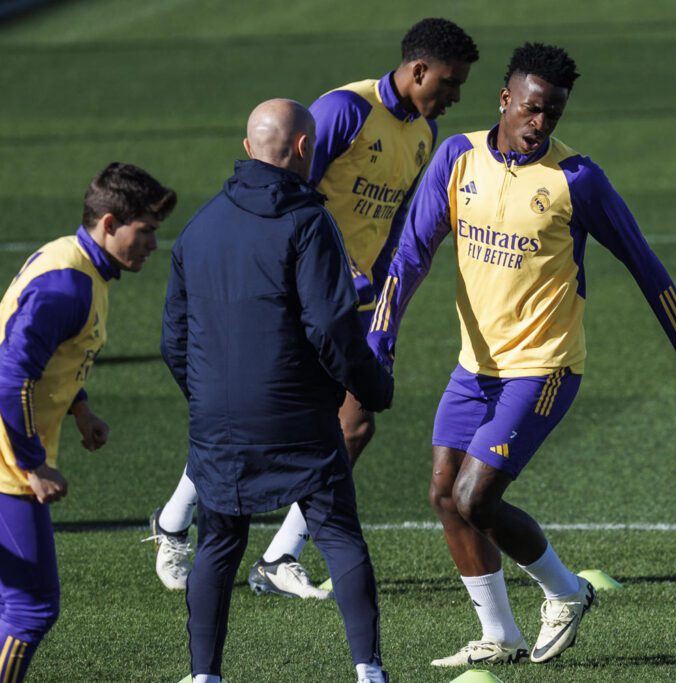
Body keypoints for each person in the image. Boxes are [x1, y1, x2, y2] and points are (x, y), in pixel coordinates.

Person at [366, 43, 676, 666]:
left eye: (551, 116)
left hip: (544, 367)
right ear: (504, 100)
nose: (540, 125)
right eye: (531, 110)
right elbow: (411, 254)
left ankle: (565, 590)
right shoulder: (457, 156)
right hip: (476, 366)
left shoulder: (576, 178)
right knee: (445, 495)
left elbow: (642, 261)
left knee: (477, 498)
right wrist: (381, 340)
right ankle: (499, 635)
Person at [147, 17, 478, 600]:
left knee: (352, 425)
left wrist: (383, 294)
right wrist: (328, 269)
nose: (454, 96)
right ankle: (175, 522)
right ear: (418, 70)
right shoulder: (345, 111)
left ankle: (277, 555)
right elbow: (285, 188)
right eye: (449, 83)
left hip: (355, 299)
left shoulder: (422, 132)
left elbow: (394, 218)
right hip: (296, 287)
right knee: (262, 414)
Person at [161, 99, 393, 683]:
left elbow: (174, 338)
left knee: (218, 540)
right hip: (298, 415)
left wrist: (210, 395)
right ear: (303, 149)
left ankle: (203, 675)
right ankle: (368, 671)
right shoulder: (309, 222)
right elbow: (332, 329)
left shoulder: (199, 226)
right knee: (338, 534)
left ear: (247, 150)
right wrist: (370, 386)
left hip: (218, 419)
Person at [0, 163, 176, 683]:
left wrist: (80, 408)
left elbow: (50, 355)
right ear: (108, 222)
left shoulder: (79, 265)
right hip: (8, 460)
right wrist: (33, 466)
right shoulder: (68, 286)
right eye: (144, 231)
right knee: (31, 608)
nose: (151, 245)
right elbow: (10, 378)